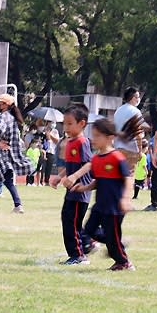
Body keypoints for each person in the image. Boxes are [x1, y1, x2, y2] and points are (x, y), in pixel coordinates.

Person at [71, 118, 135, 271]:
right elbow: (98, 182)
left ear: (110, 138)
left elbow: (128, 179)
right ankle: (116, 243)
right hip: (100, 205)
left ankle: (123, 262)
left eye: (98, 136)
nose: (94, 139)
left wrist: (126, 199)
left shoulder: (116, 157)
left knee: (112, 238)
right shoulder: (96, 159)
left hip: (114, 207)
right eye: (93, 135)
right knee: (88, 231)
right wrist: (84, 188)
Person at [49, 103, 93, 265]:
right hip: (71, 191)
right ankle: (85, 245)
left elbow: (88, 164)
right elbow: (70, 166)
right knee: (68, 219)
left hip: (80, 191)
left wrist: (74, 177)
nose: (65, 127)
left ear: (81, 124)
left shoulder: (82, 142)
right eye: (64, 123)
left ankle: (79, 255)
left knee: (71, 222)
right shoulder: (70, 142)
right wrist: (59, 177)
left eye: (69, 123)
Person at [0, 94, 33, 214]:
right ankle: (18, 205)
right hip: (8, 154)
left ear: (5, 105)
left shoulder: (3, 118)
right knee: (8, 180)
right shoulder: (12, 118)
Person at [41, 120, 60, 185]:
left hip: (51, 151)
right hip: (44, 151)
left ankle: (46, 181)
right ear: (48, 123)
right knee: (42, 166)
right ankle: (40, 181)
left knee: (49, 167)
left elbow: (57, 141)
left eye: (54, 123)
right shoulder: (44, 130)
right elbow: (43, 139)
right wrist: (46, 132)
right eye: (51, 122)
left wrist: (50, 135)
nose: (53, 124)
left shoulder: (55, 131)